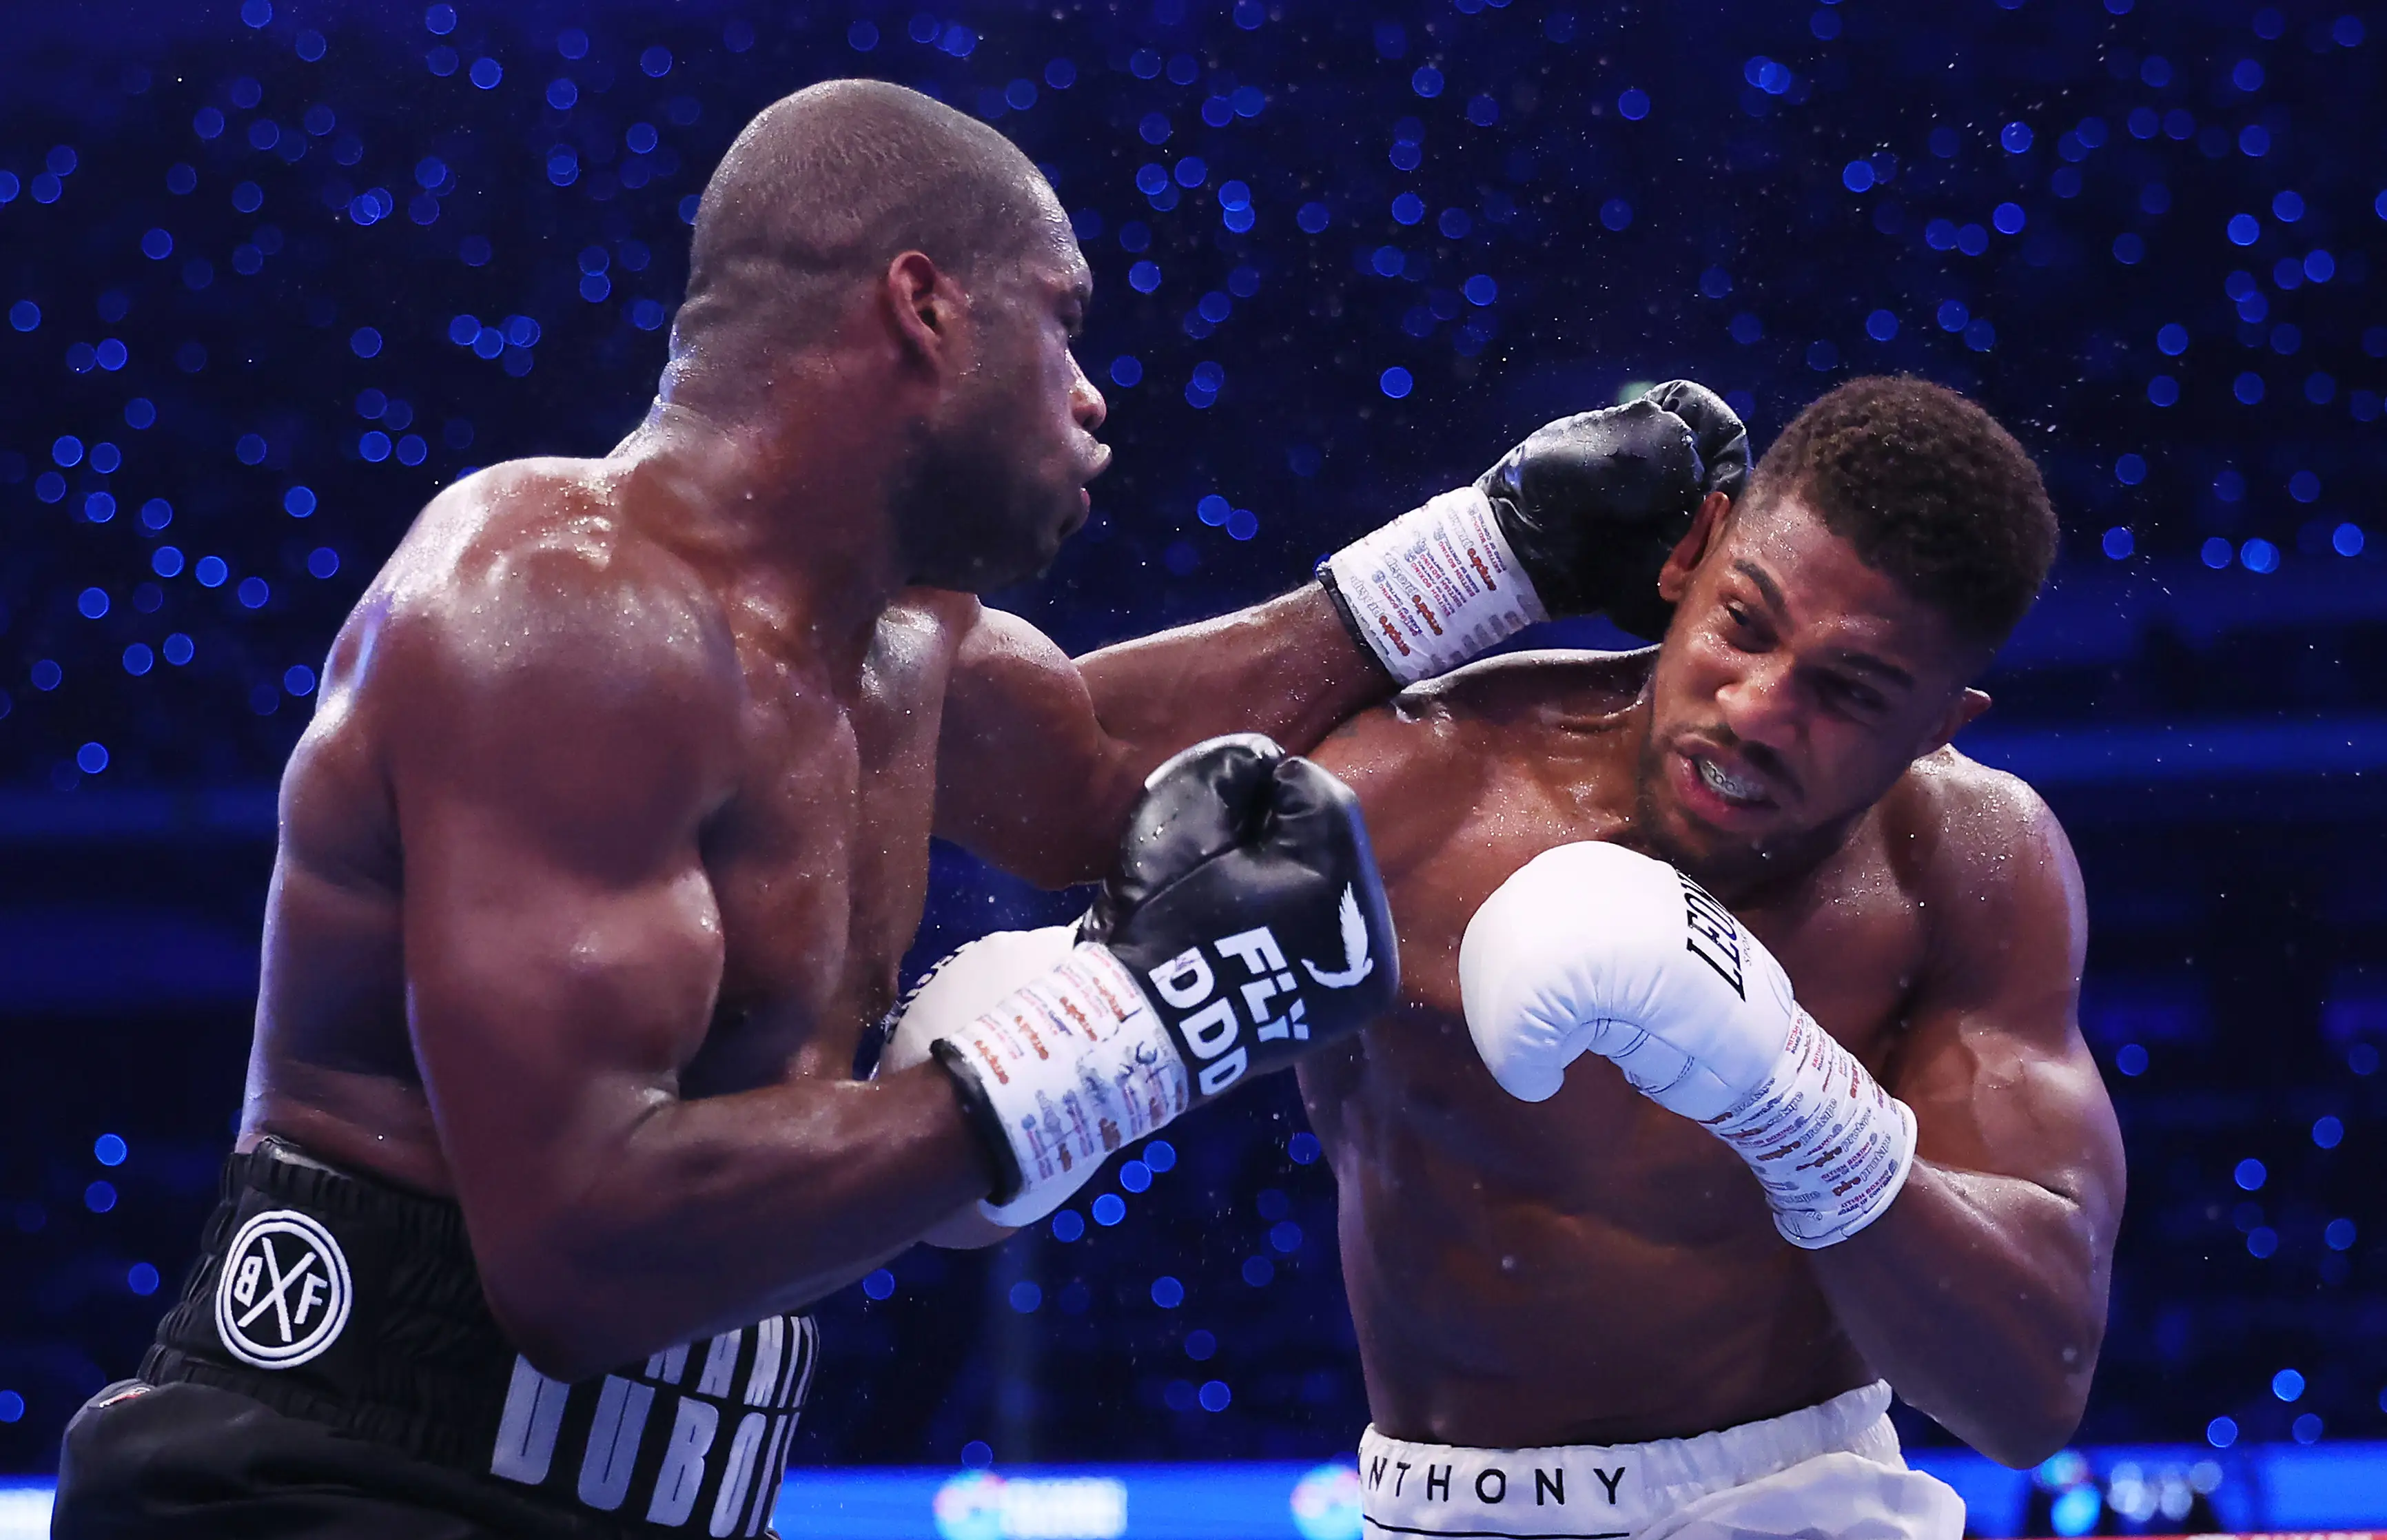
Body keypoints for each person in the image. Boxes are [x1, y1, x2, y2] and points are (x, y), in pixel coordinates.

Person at [52, 77, 1737, 1538]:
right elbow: (574, 1254)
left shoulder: (901, 653)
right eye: (1064, 320)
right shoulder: (557, 615)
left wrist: (1499, 553)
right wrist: (1129, 1032)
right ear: (925, 307)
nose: (1096, 395)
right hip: (335, 1485)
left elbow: (1104, 783)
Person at [1293, 376, 2129, 1539]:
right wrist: (1471, 553)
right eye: (1746, 622)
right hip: (1425, 1508)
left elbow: (2036, 1384)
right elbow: (1061, 769)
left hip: (1797, 1500)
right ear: (1695, 551)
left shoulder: (1969, 858)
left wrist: (1790, 1098)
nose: (1757, 709)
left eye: (1850, 691)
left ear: (1943, 721)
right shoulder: (1412, 786)